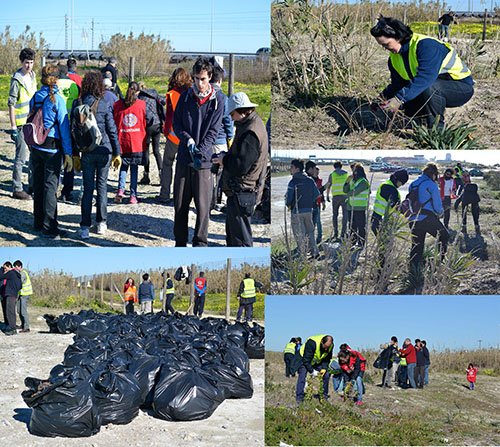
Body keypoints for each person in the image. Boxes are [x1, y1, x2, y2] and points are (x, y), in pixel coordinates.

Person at [370, 17, 474, 128]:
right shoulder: (394, 58)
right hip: (432, 87)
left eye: (386, 44)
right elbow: (397, 84)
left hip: (460, 88)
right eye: (382, 45)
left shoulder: (427, 46)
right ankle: (421, 122)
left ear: (398, 37)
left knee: (430, 88)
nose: (384, 49)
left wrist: (398, 99)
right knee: (408, 104)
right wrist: (381, 99)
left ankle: (436, 131)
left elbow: (425, 78)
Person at [172, 57, 225, 246]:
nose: (199, 83)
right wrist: (188, 141)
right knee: (180, 204)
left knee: (203, 208)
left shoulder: (218, 100)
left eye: (202, 79)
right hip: (184, 158)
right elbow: (176, 124)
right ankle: (180, 242)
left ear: (210, 77)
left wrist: (200, 152)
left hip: (203, 162)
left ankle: (200, 243)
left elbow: (213, 132)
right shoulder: (185, 97)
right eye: (196, 78)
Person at [72, 71, 121, 239]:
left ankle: (84, 227)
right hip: (104, 150)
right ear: (100, 85)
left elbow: (72, 132)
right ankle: (101, 223)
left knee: (87, 190)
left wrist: (74, 155)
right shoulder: (104, 104)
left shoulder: (76, 103)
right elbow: (112, 130)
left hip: (86, 152)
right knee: (102, 187)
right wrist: (117, 152)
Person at [216, 92, 269, 246]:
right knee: (236, 236)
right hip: (243, 191)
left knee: (241, 240)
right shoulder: (252, 124)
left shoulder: (250, 132)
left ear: (241, 110)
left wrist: (223, 160)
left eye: (232, 114)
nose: (231, 118)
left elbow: (241, 166)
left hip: (243, 191)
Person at [30, 64, 73, 238]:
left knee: (38, 185)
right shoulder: (57, 99)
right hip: (52, 146)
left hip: (36, 144)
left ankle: (38, 223)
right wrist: (68, 153)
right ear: (56, 79)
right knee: (50, 187)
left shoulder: (36, 96)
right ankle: (50, 227)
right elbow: (64, 127)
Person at [155, 68, 192, 203]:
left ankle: (165, 193)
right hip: (188, 135)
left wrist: (166, 132)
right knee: (184, 166)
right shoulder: (191, 93)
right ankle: (182, 195)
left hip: (173, 135)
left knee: (167, 163)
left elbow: (169, 116)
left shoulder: (171, 94)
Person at [408, 162, 449, 271]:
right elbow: (437, 204)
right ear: (434, 174)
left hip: (413, 219)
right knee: (444, 236)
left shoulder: (413, 184)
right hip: (427, 217)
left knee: (417, 246)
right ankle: (437, 265)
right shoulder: (430, 184)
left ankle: (414, 270)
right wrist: (440, 212)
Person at [8, 48, 37, 200]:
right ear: (21, 62)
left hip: (32, 124)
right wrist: (13, 127)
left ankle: (32, 185)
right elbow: (11, 104)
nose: (29, 66)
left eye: (31, 63)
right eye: (26, 63)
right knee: (20, 158)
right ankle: (17, 188)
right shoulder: (16, 80)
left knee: (34, 157)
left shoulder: (33, 77)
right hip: (20, 125)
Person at [113, 82, 148, 204]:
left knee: (123, 166)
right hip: (137, 141)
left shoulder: (117, 105)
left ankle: (120, 190)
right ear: (138, 92)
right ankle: (133, 195)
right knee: (134, 168)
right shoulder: (142, 105)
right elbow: (147, 120)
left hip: (122, 140)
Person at [209, 65, 234, 212]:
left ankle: (207, 201)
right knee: (220, 173)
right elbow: (228, 121)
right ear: (220, 80)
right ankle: (220, 201)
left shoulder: (204, 95)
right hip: (220, 140)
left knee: (208, 172)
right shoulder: (224, 98)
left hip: (207, 141)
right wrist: (230, 138)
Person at [285, 159, 320, 258]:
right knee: (310, 231)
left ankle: (303, 255)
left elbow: (289, 198)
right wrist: (308, 201)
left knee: (299, 234)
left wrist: (288, 204)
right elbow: (317, 194)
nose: (290, 169)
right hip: (309, 210)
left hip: (296, 211)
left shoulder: (292, 182)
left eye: (292, 167)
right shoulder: (310, 180)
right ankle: (315, 252)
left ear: (297, 168)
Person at [58, 63, 81, 203]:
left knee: (56, 158)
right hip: (71, 125)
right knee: (69, 159)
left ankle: (56, 187)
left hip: (57, 125)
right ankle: (67, 191)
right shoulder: (74, 86)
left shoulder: (54, 85)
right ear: (67, 73)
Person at [138, 81, 166, 185]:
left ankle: (146, 175)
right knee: (156, 151)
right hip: (157, 123)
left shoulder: (140, 98)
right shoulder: (154, 94)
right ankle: (161, 174)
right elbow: (163, 102)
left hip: (147, 126)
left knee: (146, 151)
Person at [292, 335, 333, 404]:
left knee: (326, 375)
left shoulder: (330, 346)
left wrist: (324, 368)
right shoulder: (312, 343)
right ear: (322, 342)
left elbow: (327, 359)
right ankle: (299, 398)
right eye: (325, 347)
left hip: (317, 361)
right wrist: (312, 371)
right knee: (302, 376)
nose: (326, 349)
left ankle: (323, 397)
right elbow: (306, 360)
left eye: (328, 347)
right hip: (304, 359)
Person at [344, 163, 370, 247]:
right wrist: (346, 182)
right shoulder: (353, 181)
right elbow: (345, 190)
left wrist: (348, 193)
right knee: (352, 227)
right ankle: (352, 242)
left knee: (361, 227)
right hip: (351, 207)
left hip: (360, 208)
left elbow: (353, 192)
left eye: (355, 171)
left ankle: (361, 243)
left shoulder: (363, 182)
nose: (354, 173)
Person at [324, 161, 348, 240]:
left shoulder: (332, 174)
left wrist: (327, 196)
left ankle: (336, 233)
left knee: (335, 215)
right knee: (345, 215)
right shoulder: (346, 174)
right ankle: (343, 233)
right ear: (341, 166)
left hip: (335, 197)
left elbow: (328, 186)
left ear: (334, 167)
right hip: (345, 196)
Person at [0, 261, 22, 335]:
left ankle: (13, 329)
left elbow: (1, 276)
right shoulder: (16, 274)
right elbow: (20, 286)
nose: (5, 270)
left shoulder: (11, 273)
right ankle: (11, 327)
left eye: (5, 268)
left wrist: (1, 268)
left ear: (9, 267)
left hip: (10, 294)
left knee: (10, 312)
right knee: (10, 311)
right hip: (13, 294)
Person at [13, 260, 32, 333]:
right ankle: (23, 324)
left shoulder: (23, 273)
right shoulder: (21, 273)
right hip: (21, 294)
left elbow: (20, 283)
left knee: (23, 311)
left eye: (16, 267)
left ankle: (26, 328)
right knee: (18, 310)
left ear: (20, 266)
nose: (15, 268)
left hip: (25, 294)